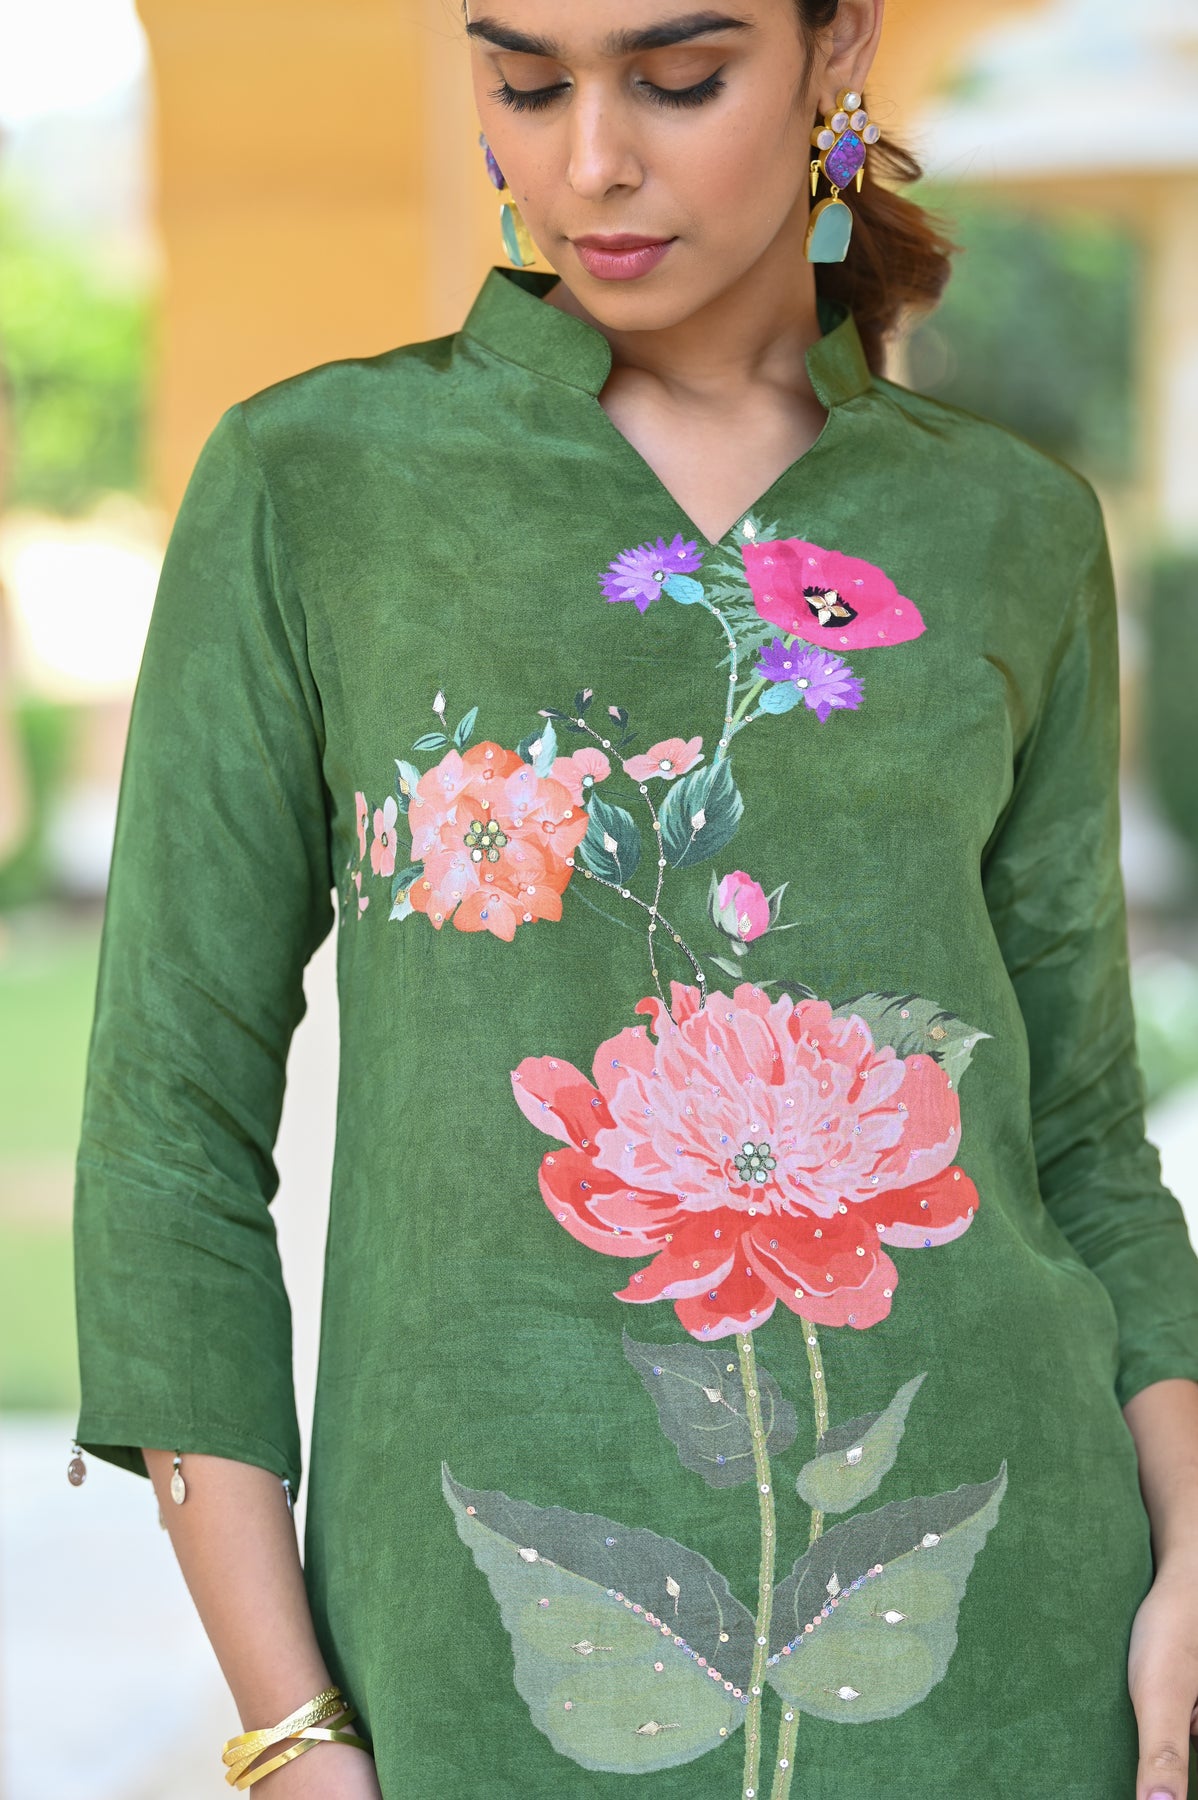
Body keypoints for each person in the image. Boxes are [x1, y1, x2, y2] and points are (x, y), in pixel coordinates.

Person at [69, 0, 1198, 1794]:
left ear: (838, 47)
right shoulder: (320, 483)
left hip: (1012, 1635)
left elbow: (1077, 1134)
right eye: (525, 82)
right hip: (468, 1652)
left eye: (677, 80)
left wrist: (1189, 1558)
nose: (590, 158)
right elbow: (167, 1131)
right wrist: (289, 1730)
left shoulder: (1007, 524)